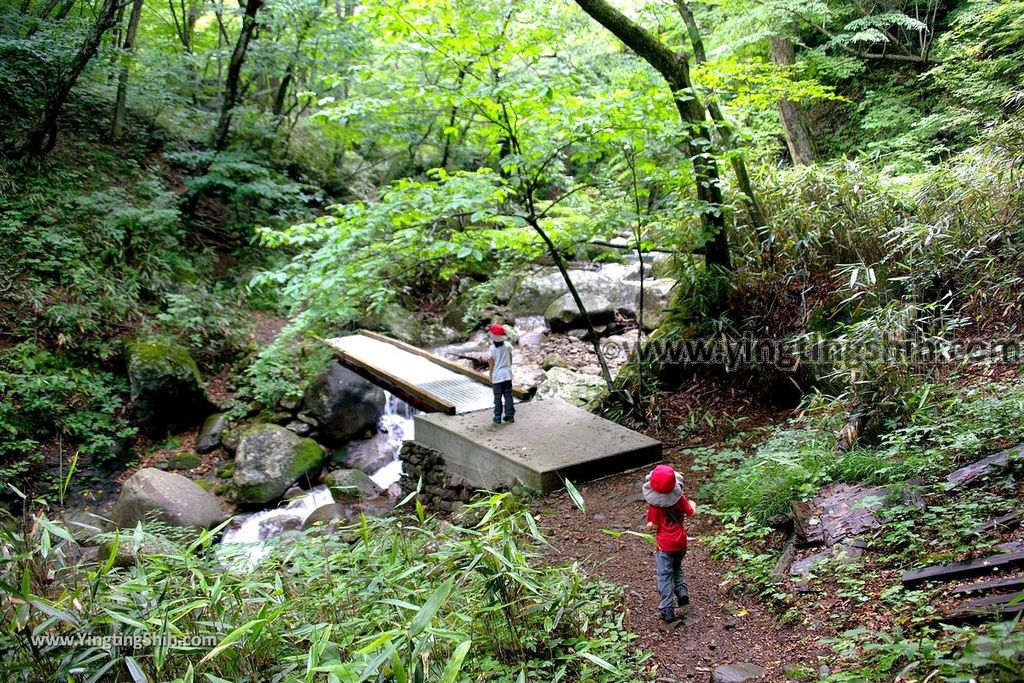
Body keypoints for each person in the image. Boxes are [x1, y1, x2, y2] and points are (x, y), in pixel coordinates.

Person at [642, 464, 696, 623]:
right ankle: (681, 591)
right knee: (677, 566)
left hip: (664, 546)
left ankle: (667, 609)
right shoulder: (680, 498)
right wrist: (693, 504)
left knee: (664, 575)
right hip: (680, 542)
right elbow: (691, 511)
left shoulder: (654, 505)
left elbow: (656, 525)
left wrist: (650, 526)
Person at [487, 323, 515, 424]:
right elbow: (510, 358)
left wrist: (490, 375)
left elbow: (491, 364)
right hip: (507, 374)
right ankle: (510, 416)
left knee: (497, 397)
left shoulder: (492, 348)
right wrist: (508, 367)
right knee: (508, 396)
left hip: (497, 375)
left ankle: (497, 416)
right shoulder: (508, 345)